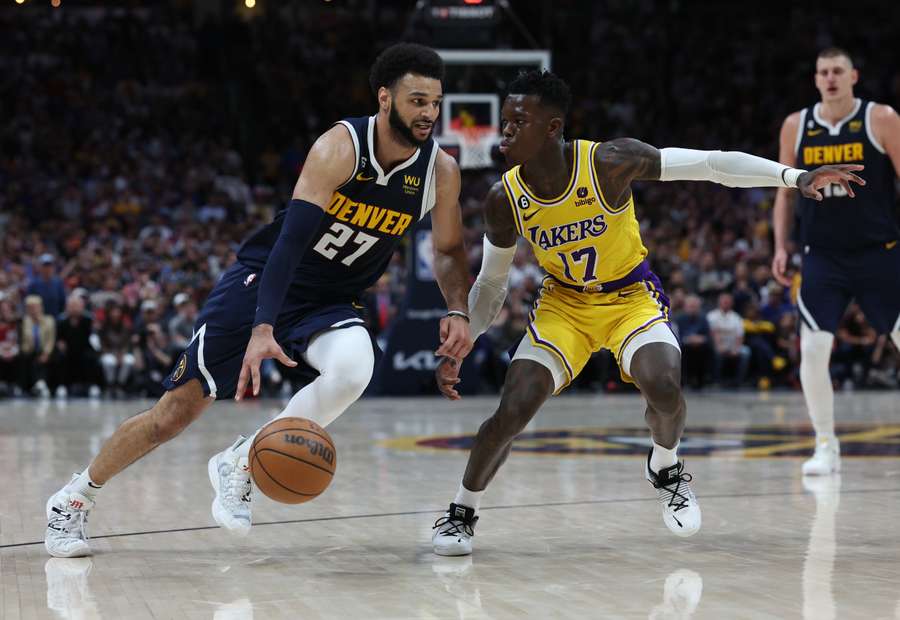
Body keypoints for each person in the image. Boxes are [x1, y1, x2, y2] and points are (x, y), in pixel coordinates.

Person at [44, 43, 474, 557]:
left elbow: (448, 249)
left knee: (355, 368)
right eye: (417, 100)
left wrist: (457, 308)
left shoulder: (439, 170)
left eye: (436, 102)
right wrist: (263, 326)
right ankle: (73, 500)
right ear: (385, 98)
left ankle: (242, 461)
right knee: (173, 415)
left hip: (332, 298)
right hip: (264, 282)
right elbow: (289, 245)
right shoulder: (339, 147)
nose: (428, 113)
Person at [431, 69, 864, 556]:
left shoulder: (611, 162)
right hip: (564, 305)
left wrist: (795, 176)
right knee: (514, 407)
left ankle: (666, 464)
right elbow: (491, 283)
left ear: (552, 127)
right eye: (505, 121)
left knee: (663, 382)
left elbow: (712, 165)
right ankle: (461, 511)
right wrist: (462, 339)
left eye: (518, 121)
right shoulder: (503, 198)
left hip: (628, 296)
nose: (504, 130)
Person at [771, 47, 900, 476]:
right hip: (822, 256)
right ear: (815, 79)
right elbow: (784, 190)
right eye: (823, 71)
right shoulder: (797, 125)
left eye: (837, 71)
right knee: (812, 349)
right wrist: (780, 245)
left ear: (853, 76)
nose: (830, 78)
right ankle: (825, 444)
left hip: (880, 252)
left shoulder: (880, 118)